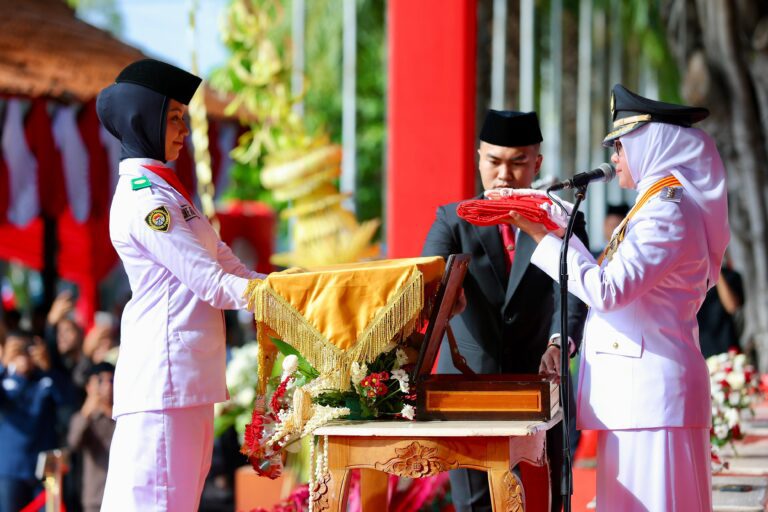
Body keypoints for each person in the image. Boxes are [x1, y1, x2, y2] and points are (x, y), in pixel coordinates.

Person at [510, 84, 728, 510]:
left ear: (652, 146)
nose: (613, 158)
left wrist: (541, 236)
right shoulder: (653, 207)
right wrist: (556, 231)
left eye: (621, 147)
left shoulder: (666, 210)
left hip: (652, 404)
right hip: (642, 406)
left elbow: (608, 291)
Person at [96, 59, 266, 511]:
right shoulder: (146, 198)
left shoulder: (169, 192)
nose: (184, 131)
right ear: (141, 118)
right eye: (173, 118)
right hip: (164, 379)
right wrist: (282, 299)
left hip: (184, 378)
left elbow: (226, 262)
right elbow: (211, 283)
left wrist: (288, 288)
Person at [422, 110, 589, 512]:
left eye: (517, 162)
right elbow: (424, 281)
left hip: (539, 378)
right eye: (493, 161)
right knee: (475, 503)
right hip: (465, 386)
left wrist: (558, 342)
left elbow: (573, 291)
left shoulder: (563, 220)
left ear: (537, 164)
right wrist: (443, 299)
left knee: (550, 496)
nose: (504, 174)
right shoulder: (452, 218)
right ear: (479, 159)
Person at [0, 330, 73, 512]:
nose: (24, 354)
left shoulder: (46, 378)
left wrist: (48, 367)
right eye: (18, 349)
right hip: (11, 469)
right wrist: (4, 364)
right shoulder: (5, 380)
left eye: (28, 348)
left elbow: (69, 402)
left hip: (45, 470)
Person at [68, 362, 116, 512]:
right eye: (100, 381)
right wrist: (87, 411)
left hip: (121, 492)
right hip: (95, 496)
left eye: (111, 381)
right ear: (89, 387)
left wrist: (111, 413)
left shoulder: (125, 417)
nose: (107, 387)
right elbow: (73, 444)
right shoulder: (84, 417)